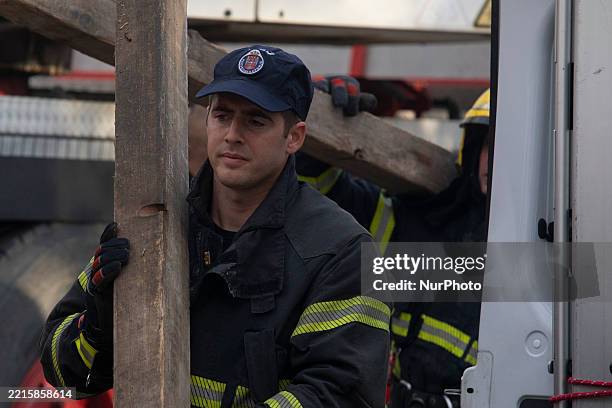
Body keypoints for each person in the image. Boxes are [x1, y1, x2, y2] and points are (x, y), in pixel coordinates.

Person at [39, 46, 392, 408]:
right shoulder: (149, 225)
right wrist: (99, 325)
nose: (233, 134)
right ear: (207, 120)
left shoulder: (340, 251)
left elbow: (340, 395)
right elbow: (64, 377)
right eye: (222, 115)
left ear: (294, 137)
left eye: (256, 121)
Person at [297, 81, 491, 408]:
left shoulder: (556, 252)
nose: (498, 159)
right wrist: (321, 117)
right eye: (490, 144)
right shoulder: (422, 222)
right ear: (472, 149)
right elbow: (319, 198)